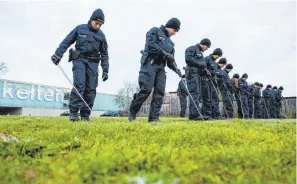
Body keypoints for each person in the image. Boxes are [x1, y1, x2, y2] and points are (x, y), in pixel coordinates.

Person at [51, 9, 109, 122]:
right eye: (97, 23)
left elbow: (105, 54)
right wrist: (58, 54)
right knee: (80, 85)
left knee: (91, 89)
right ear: (91, 20)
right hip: (79, 60)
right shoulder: (80, 28)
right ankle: (73, 113)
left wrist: (105, 70)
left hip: (93, 63)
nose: (98, 26)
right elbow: (67, 41)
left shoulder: (101, 36)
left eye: (100, 24)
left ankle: (85, 115)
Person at [128, 18, 182, 122]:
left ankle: (154, 118)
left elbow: (170, 61)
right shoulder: (155, 31)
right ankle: (133, 111)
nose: (175, 33)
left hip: (161, 68)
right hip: (150, 63)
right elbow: (151, 45)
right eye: (175, 30)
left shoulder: (171, 44)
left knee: (160, 92)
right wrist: (164, 53)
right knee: (146, 90)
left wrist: (177, 70)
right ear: (170, 26)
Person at [185, 38, 211, 120]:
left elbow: (201, 66)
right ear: (204, 44)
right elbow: (188, 59)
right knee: (194, 94)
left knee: (197, 94)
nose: (206, 49)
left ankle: (194, 114)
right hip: (191, 74)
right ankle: (195, 115)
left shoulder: (200, 53)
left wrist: (205, 71)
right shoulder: (192, 48)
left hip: (197, 75)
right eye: (207, 47)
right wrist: (200, 64)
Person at [201, 49, 223, 119]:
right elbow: (202, 68)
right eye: (218, 56)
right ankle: (207, 115)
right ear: (215, 53)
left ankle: (215, 115)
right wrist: (207, 73)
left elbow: (216, 73)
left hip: (213, 82)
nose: (218, 58)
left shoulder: (215, 63)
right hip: (206, 81)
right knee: (207, 98)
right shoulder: (207, 59)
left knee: (215, 99)